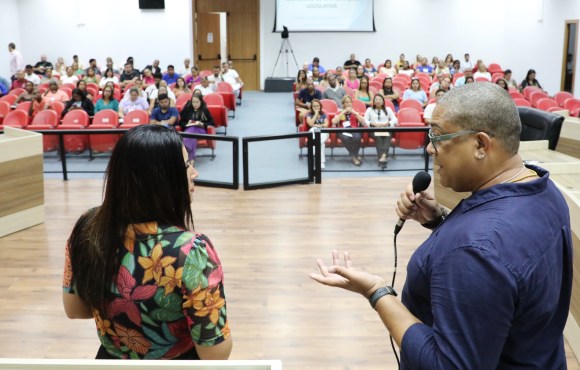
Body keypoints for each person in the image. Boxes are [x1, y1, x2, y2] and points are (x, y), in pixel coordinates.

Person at [310, 82, 572, 369]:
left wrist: (377, 292)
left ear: (481, 145)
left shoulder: (475, 250)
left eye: (438, 136)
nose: (429, 148)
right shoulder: (544, 189)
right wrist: (441, 221)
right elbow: (508, 257)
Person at [62, 124, 233, 360]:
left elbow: (75, 309)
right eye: (187, 165)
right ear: (162, 179)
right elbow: (215, 354)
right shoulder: (191, 250)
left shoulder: (87, 226)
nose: (195, 173)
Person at [364, 94, 397, 167]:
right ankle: (382, 157)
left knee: (387, 137)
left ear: (383, 101)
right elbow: (365, 120)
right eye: (376, 99)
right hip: (374, 130)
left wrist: (388, 123)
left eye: (380, 99)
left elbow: (395, 119)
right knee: (378, 137)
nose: (378, 101)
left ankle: (383, 157)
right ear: (374, 101)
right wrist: (372, 124)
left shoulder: (388, 109)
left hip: (386, 129)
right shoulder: (369, 109)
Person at [332, 95, 365, 166]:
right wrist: (343, 112)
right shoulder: (339, 111)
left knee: (357, 137)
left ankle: (354, 155)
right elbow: (334, 122)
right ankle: (354, 156)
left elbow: (363, 121)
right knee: (346, 138)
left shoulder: (355, 111)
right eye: (347, 102)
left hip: (354, 129)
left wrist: (355, 112)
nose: (349, 103)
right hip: (343, 130)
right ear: (343, 104)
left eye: (350, 102)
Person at [179, 94, 215, 160]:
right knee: (192, 134)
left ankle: (185, 149)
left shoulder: (205, 110)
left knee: (192, 130)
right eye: (193, 102)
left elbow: (212, 122)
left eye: (197, 102)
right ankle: (191, 159)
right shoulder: (188, 110)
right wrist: (187, 123)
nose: (195, 104)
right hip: (189, 130)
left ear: (201, 102)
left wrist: (202, 124)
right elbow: (181, 122)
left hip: (201, 131)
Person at [305, 99, 329, 169]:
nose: (316, 108)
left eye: (317, 106)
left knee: (318, 141)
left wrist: (320, 126)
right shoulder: (309, 114)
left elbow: (326, 124)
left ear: (320, 106)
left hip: (323, 130)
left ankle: (313, 151)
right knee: (321, 144)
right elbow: (310, 124)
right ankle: (321, 162)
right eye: (314, 106)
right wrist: (315, 114)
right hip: (313, 129)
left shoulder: (323, 114)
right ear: (312, 107)